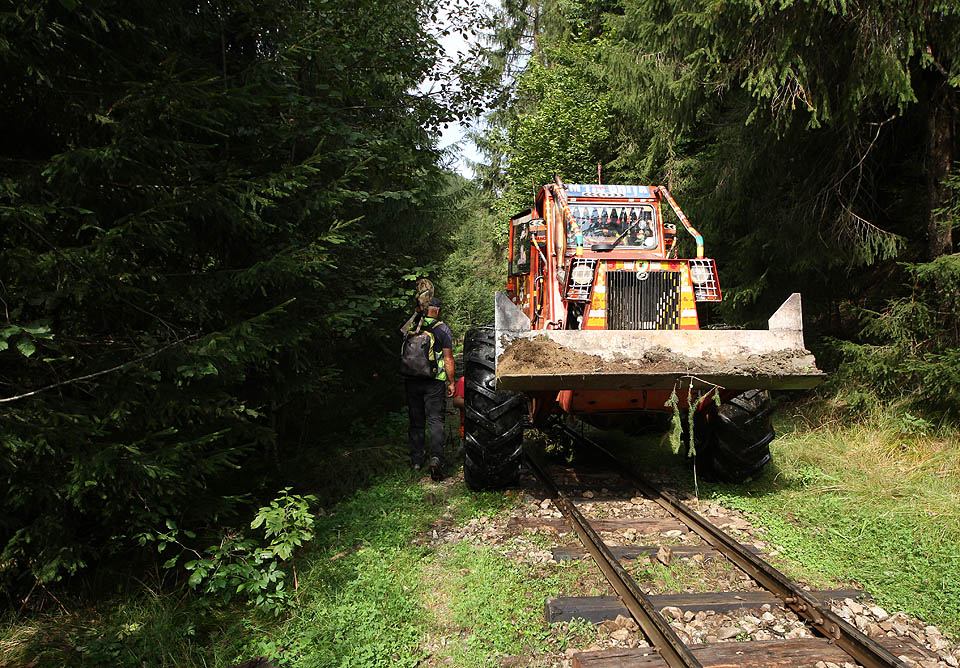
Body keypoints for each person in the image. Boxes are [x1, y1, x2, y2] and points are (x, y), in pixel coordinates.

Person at [403, 297, 454, 480]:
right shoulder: (442, 329)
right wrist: (451, 382)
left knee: (416, 421)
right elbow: (448, 359)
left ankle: (417, 461)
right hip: (434, 381)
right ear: (437, 310)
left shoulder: (413, 326)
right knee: (435, 421)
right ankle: (436, 459)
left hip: (412, 379)